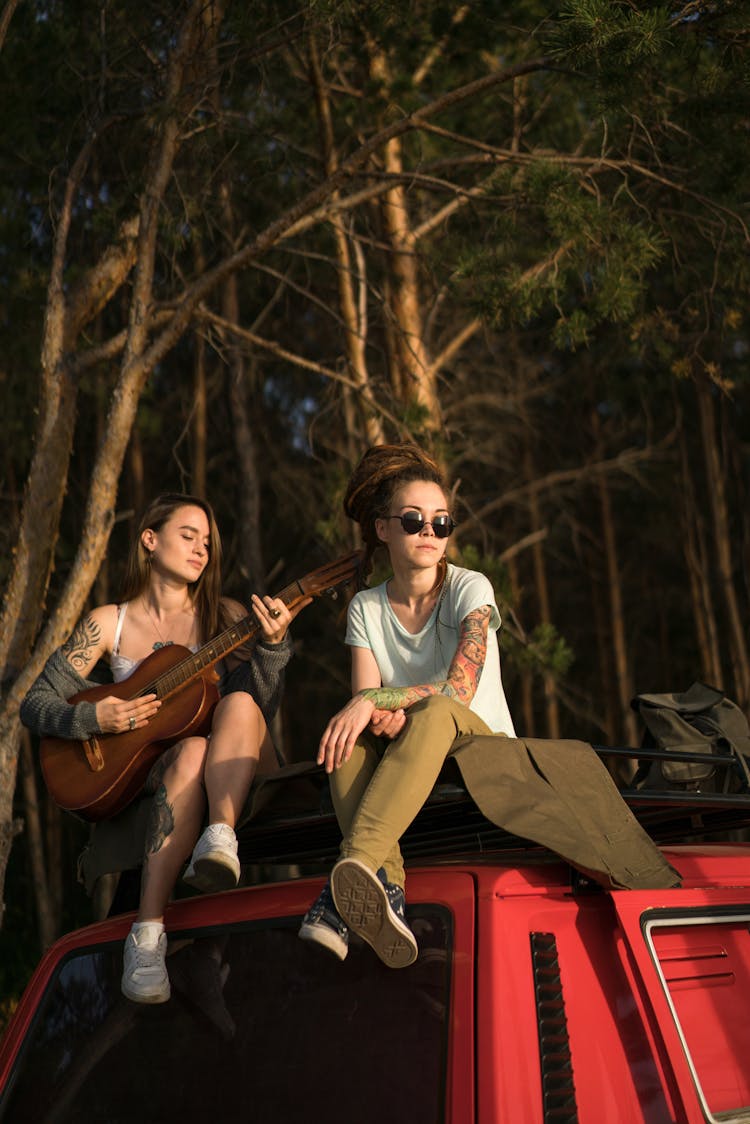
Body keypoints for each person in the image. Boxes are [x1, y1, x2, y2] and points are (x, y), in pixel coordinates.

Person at [22, 492, 304, 1004]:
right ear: (150, 540)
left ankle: (218, 835)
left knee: (230, 714)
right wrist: (91, 716)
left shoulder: (225, 615)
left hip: (228, 762)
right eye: (188, 535)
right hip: (148, 771)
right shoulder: (109, 623)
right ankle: (147, 938)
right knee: (190, 753)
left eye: (208, 542)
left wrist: (273, 648)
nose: (202, 549)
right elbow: (35, 702)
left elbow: (260, 706)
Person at [299, 444, 516, 969]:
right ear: (383, 530)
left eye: (442, 523)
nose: (429, 532)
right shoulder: (366, 607)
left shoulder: (471, 587)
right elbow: (365, 707)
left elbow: (459, 689)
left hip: (481, 751)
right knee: (345, 742)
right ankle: (386, 887)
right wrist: (376, 712)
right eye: (414, 520)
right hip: (412, 752)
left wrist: (380, 701)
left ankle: (348, 872)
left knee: (438, 711)